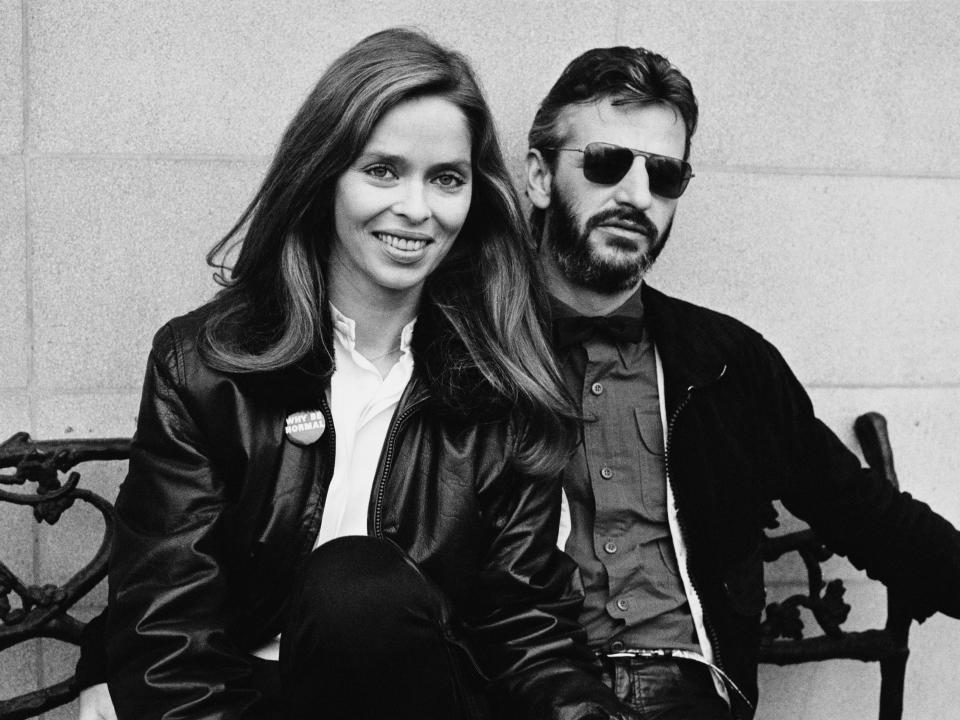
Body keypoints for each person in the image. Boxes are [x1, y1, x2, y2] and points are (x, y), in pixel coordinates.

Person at [75, 28, 638, 720]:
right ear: (324, 176)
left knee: (358, 588)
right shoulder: (206, 366)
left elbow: (524, 624)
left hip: (420, 697)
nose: (416, 208)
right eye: (382, 171)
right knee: (350, 582)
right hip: (239, 701)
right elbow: (167, 627)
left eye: (446, 179)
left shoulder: (501, 383)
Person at [524, 45, 960, 720]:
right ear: (539, 176)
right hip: (524, 685)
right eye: (607, 162)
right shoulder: (472, 351)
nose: (637, 195)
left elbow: (868, 514)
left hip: (687, 689)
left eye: (664, 175)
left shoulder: (726, 364)